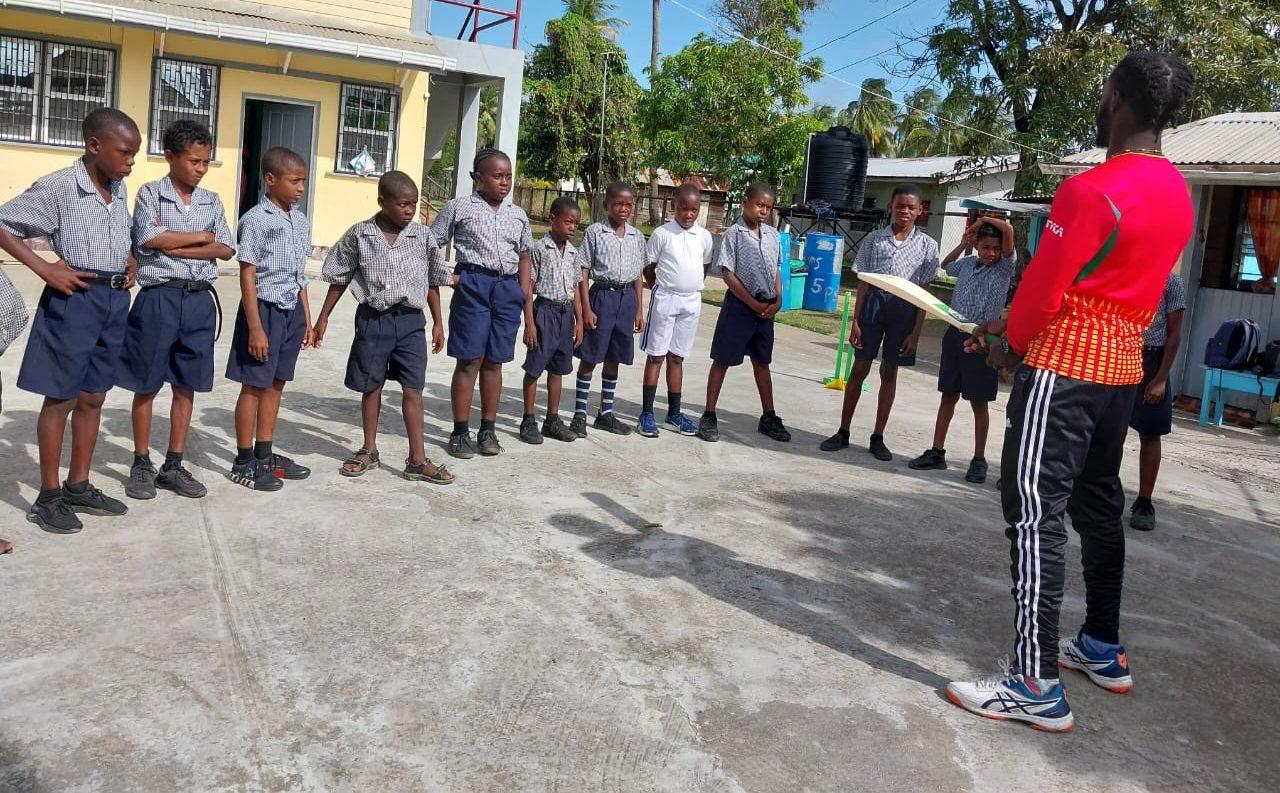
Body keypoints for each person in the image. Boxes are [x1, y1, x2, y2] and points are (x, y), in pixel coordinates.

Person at [946, 51, 1196, 732]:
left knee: (1033, 511)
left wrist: (1007, 344)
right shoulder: (1177, 192)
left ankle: (1033, 681)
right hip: (1119, 370)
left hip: (1063, 370)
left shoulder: (1092, 191)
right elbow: (1105, 287)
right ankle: (1102, 645)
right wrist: (1011, 326)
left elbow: (1042, 294)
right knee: (1096, 504)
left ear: (1117, 96)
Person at [0, 107, 140, 533]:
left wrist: (130, 257)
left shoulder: (117, 188)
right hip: (74, 299)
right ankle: (47, 496)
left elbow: (121, 233)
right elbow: (4, 222)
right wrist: (45, 268)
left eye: (135, 154)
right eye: (125, 153)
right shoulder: (60, 187)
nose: (131, 162)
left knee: (94, 396)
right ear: (94, 146)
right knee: (60, 398)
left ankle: (78, 483)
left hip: (113, 302)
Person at [119, 120, 236, 501]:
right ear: (170, 157)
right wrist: (200, 237)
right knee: (147, 382)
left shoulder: (212, 201)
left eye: (206, 162)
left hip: (199, 299)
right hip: (159, 299)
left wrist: (176, 246)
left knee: (187, 384)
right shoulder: (151, 193)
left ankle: (173, 463)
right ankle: (140, 462)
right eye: (194, 161)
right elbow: (149, 238)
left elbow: (225, 248)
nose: (201, 169)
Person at [313, 171, 454, 484]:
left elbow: (433, 281)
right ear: (382, 202)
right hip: (373, 320)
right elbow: (339, 277)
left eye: (413, 204)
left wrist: (438, 323)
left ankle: (417, 459)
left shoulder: (423, 237)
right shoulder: (360, 234)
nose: (409, 210)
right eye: (402, 204)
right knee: (371, 385)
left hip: (411, 323)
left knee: (413, 389)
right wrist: (323, 318)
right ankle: (369, 449)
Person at [820, 184, 939, 460]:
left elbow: (924, 293)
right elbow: (863, 282)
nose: (905, 211)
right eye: (900, 205)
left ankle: (877, 437)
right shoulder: (875, 239)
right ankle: (843, 431)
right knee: (859, 368)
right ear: (891, 207)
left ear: (921, 210)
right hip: (873, 306)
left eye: (911, 207)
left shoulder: (927, 246)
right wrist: (856, 321)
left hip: (905, 310)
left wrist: (916, 332)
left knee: (889, 372)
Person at [430, 148, 534, 459]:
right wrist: (449, 277)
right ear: (478, 179)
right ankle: (460, 431)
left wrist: (522, 292)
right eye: (497, 176)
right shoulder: (459, 208)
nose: (505, 182)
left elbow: (526, 253)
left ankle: (487, 429)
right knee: (470, 359)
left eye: (509, 176)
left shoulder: (518, 215)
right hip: (473, 285)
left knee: (494, 361)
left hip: (507, 289)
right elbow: (431, 242)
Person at [225, 146, 314, 491]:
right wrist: (256, 328)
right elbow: (247, 274)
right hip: (262, 310)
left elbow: (299, 273)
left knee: (276, 383)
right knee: (254, 385)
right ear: (271, 180)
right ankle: (244, 459)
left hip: (290, 310)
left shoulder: (300, 220)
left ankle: (265, 453)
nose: (300, 188)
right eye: (295, 181)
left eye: (303, 181)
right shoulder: (256, 220)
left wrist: (305, 317)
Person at [908, 218, 1017, 483]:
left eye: (995, 247)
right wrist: (962, 244)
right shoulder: (968, 264)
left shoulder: (1003, 269)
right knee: (948, 395)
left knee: (979, 402)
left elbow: (1009, 230)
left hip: (981, 342)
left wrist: (980, 221)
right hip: (954, 335)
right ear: (977, 246)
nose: (990, 252)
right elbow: (946, 266)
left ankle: (979, 460)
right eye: (985, 246)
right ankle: (937, 451)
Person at [699, 182, 791, 443]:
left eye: (768, 207)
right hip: (740, 307)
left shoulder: (773, 235)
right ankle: (709, 414)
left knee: (762, 362)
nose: (763, 210)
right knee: (723, 359)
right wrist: (752, 303)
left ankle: (769, 416)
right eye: (759, 205)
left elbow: (776, 269)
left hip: (766, 309)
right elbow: (727, 273)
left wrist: (778, 299)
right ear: (745, 202)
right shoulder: (734, 234)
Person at [636, 183, 713, 437]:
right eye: (683, 208)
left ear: (699, 209)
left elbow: (705, 265)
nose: (688, 214)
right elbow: (649, 266)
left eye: (693, 209)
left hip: (691, 301)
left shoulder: (704, 237)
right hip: (666, 298)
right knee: (657, 355)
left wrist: (690, 285)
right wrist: (657, 286)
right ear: (673, 206)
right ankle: (647, 413)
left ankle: (674, 413)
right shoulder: (662, 234)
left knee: (677, 357)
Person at [573, 182, 647, 438]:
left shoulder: (637, 237)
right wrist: (585, 308)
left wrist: (638, 309)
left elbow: (638, 274)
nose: (623, 209)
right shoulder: (595, 232)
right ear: (606, 205)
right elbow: (582, 269)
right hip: (602, 297)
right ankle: (580, 413)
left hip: (626, 299)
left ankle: (606, 413)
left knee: (615, 356)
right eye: (618, 204)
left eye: (628, 204)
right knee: (590, 356)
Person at [519, 196, 584, 445]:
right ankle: (528, 418)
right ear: (553, 219)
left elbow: (577, 288)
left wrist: (578, 321)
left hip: (566, 313)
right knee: (535, 367)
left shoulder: (574, 253)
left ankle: (552, 419)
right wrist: (530, 322)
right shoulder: (539, 249)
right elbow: (528, 288)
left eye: (576, 224)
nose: (572, 227)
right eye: (568, 221)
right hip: (544, 311)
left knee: (558, 369)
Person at [1128, 271, 1185, 530]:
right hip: (1120, 353)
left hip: (1153, 360)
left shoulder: (1171, 281)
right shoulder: (1126, 272)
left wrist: (1161, 378)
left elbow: (1174, 333)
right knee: (1107, 430)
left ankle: (1144, 502)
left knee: (1150, 433)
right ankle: (1099, 492)